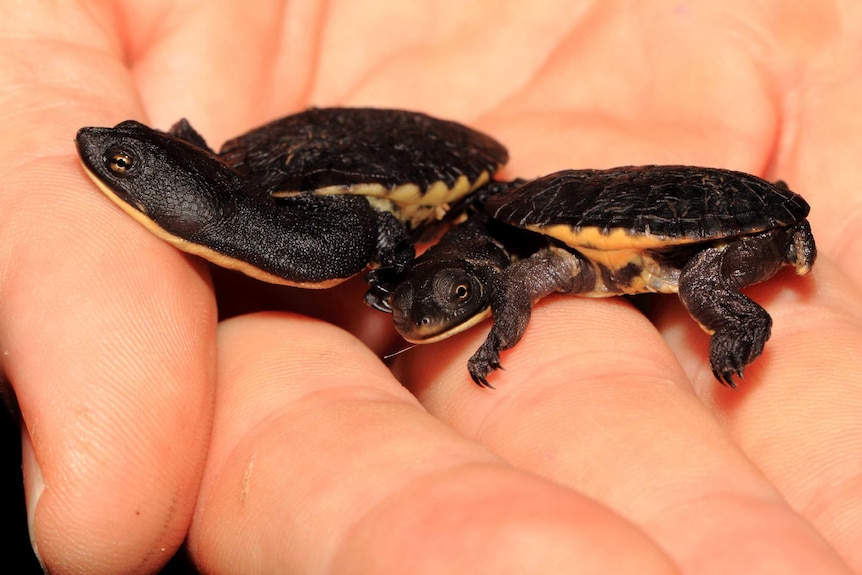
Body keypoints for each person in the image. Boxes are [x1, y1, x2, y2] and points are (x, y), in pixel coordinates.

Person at [1, 1, 860, 573]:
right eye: (123, 156)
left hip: (454, 170)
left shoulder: (389, 230)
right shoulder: (254, 204)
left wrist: (412, 267)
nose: (101, 157)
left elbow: (385, 230)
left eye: (121, 158)